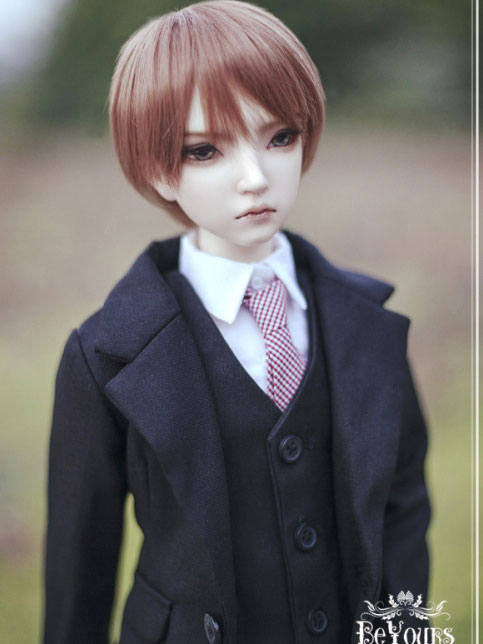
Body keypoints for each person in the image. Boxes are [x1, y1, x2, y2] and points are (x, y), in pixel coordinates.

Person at [43, 1, 431, 643]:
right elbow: (78, 567)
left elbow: (401, 508)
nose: (255, 178)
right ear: (157, 168)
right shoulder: (106, 354)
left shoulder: (367, 325)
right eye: (205, 150)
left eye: (280, 137)